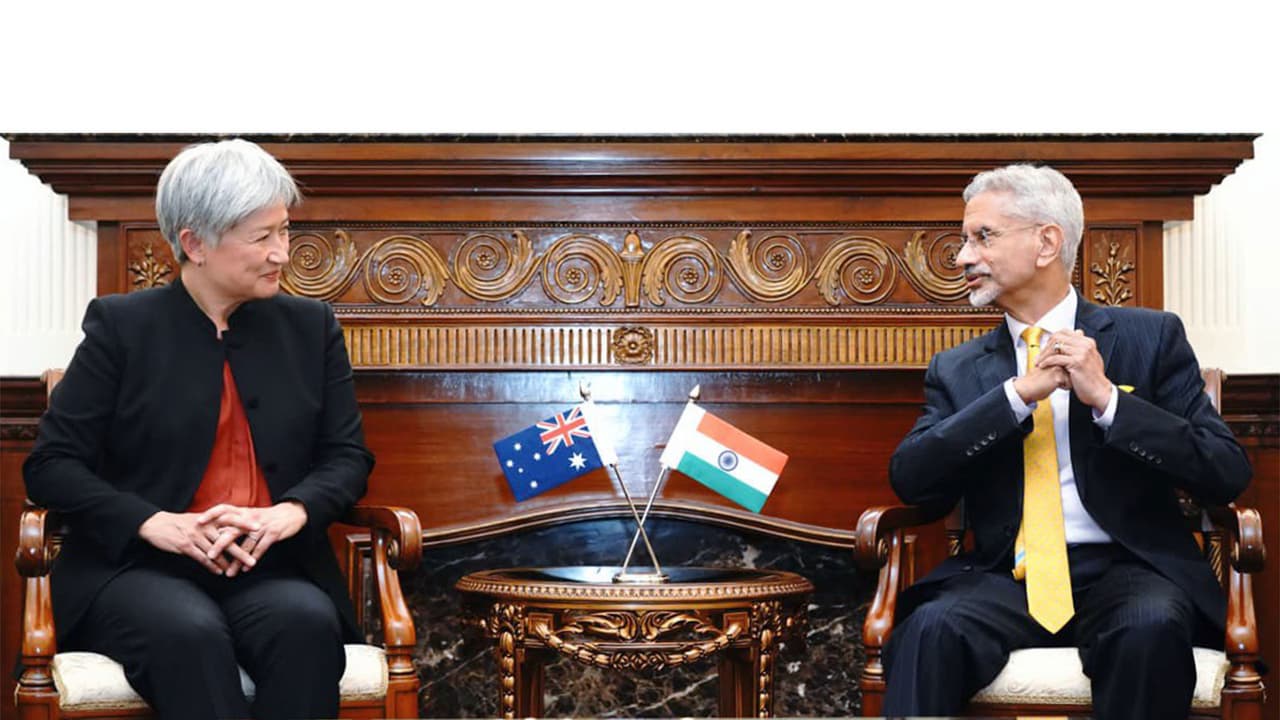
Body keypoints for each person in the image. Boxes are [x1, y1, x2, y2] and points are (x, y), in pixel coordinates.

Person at [882, 164, 1252, 719]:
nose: (962, 257)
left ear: (1046, 242)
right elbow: (912, 480)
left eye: (982, 237)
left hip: (1130, 570)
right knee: (928, 629)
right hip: (1006, 576)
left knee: (1149, 629)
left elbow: (1226, 469)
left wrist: (1108, 400)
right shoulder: (958, 369)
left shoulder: (1150, 338)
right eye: (964, 240)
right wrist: (1013, 396)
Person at [23, 139, 374, 720]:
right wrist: (153, 523)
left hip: (268, 567)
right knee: (188, 633)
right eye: (262, 237)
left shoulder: (309, 327)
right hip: (136, 570)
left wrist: (290, 512)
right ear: (194, 243)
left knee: (306, 626)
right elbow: (50, 466)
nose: (281, 253)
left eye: (284, 231)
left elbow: (347, 457)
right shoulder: (123, 327)